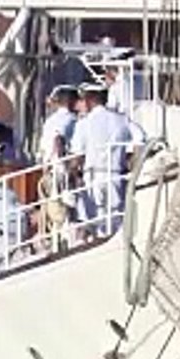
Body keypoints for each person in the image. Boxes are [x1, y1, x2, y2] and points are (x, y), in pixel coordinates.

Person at [70, 82, 133, 237]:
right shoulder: (122, 120)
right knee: (116, 219)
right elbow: (140, 141)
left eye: (84, 99)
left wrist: (71, 176)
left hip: (93, 176)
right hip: (117, 175)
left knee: (95, 221)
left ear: (90, 100)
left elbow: (77, 156)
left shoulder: (84, 124)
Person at [38, 85, 79, 249]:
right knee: (67, 211)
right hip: (60, 171)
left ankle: (56, 244)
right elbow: (58, 140)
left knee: (53, 213)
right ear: (71, 101)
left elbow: (44, 148)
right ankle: (68, 245)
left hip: (48, 169)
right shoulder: (70, 119)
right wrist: (65, 165)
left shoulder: (50, 120)